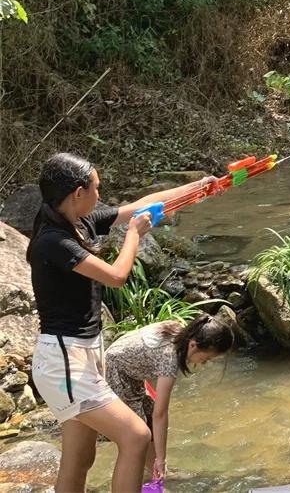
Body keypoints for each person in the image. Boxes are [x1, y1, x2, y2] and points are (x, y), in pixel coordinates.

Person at [25, 153, 217, 493]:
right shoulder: (53, 242)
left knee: (80, 458)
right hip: (64, 362)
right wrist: (133, 236)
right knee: (136, 435)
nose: (101, 193)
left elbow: (143, 205)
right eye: (97, 188)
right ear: (78, 192)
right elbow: (115, 276)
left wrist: (197, 188)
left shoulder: (79, 221)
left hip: (84, 355)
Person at [104, 315, 234, 485]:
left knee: (147, 420)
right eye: (205, 358)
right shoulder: (169, 359)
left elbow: (146, 357)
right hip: (114, 373)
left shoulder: (177, 330)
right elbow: (161, 414)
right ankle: (143, 475)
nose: (203, 363)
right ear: (193, 345)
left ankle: (153, 472)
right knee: (136, 433)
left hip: (125, 369)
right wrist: (162, 458)